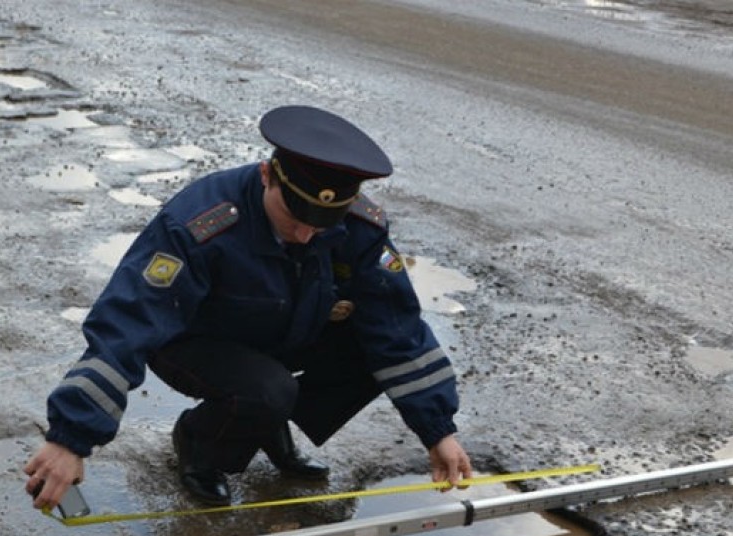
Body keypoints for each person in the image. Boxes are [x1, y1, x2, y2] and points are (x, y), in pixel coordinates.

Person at [24, 104, 473, 508]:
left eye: (320, 228)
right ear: (266, 176)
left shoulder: (357, 226)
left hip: (286, 329)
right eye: (295, 218)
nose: (304, 236)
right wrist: (71, 438)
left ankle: (264, 422)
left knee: (370, 347)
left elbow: (398, 327)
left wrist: (438, 431)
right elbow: (129, 321)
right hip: (194, 340)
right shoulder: (200, 223)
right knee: (267, 390)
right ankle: (200, 445)